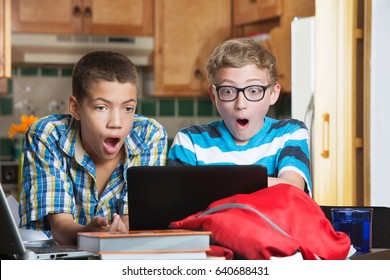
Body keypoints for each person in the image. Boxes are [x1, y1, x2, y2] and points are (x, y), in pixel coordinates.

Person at [19, 51, 168, 245]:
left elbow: (131, 222)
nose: (116, 123)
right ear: (75, 108)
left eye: (128, 108)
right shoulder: (47, 135)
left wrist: (119, 230)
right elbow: (61, 228)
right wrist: (87, 233)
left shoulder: (149, 136)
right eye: (101, 107)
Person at [168, 38, 312, 195]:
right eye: (228, 91)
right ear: (214, 96)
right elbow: (177, 200)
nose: (241, 104)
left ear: (273, 93)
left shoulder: (290, 133)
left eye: (254, 90)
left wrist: (212, 183)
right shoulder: (190, 141)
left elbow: (292, 189)